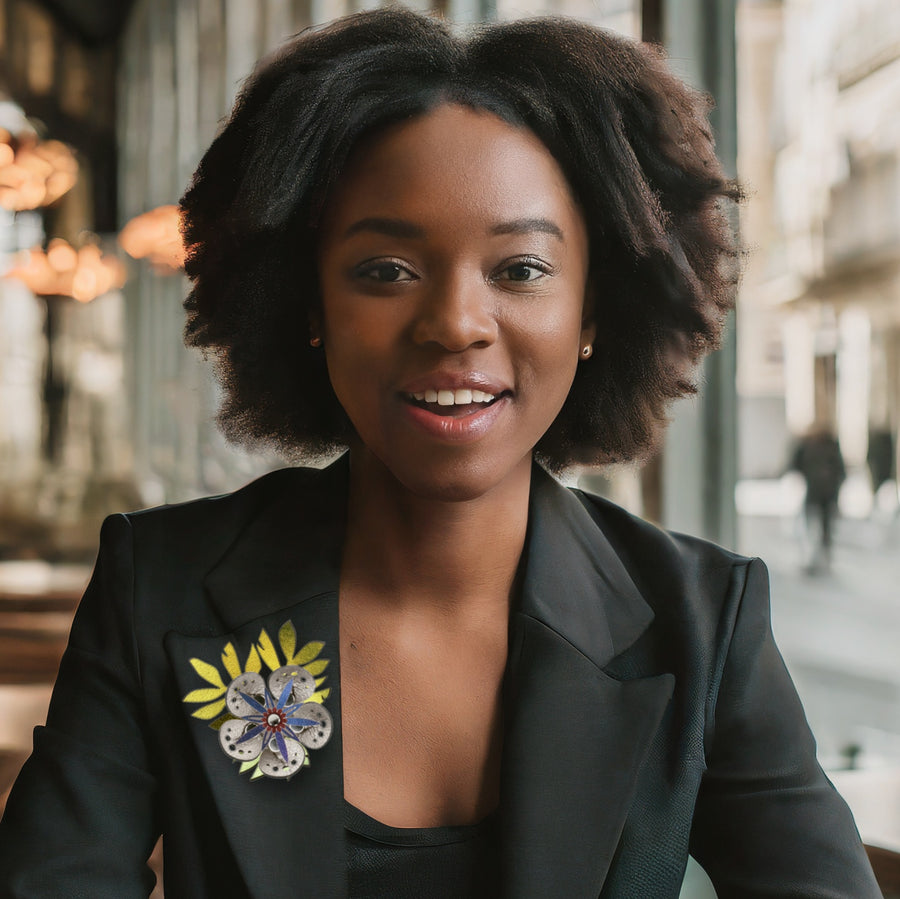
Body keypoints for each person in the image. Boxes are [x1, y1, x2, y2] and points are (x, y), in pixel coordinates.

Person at [0, 8, 880, 897]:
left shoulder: (703, 624)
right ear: (308, 307)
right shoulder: (158, 587)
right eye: (385, 268)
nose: (456, 322)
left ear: (596, 311)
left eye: (521, 269)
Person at [791, 425, 846, 572]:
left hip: (822, 495)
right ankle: (817, 557)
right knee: (817, 527)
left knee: (820, 527)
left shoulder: (824, 449)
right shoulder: (825, 449)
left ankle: (820, 558)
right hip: (821, 494)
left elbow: (841, 472)